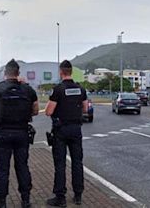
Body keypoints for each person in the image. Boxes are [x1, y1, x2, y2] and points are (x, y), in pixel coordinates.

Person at [0, 59, 39, 208]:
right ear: (18, 73)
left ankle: (1, 203)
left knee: (2, 169)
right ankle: (25, 201)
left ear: (5, 73)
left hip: (3, 133)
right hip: (22, 133)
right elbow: (36, 111)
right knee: (22, 166)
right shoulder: (28, 90)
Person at [45, 60, 88, 207]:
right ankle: (78, 195)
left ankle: (60, 197)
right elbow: (85, 109)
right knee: (77, 162)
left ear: (61, 72)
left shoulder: (58, 89)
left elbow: (49, 111)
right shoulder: (81, 89)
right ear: (71, 72)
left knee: (60, 164)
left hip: (61, 130)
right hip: (76, 129)